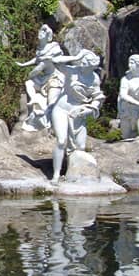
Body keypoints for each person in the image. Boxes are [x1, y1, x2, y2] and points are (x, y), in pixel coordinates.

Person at [50, 49, 105, 183]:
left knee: (80, 147)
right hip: (61, 109)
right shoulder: (71, 70)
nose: (84, 64)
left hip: (78, 113)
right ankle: (56, 175)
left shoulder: (94, 78)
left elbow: (97, 97)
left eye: (87, 63)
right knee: (62, 141)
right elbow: (54, 61)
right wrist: (76, 56)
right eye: (83, 61)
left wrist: (90, 109)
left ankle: (72, 172)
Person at [16, 24, 65, 130]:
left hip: (53, 79)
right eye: (40, 31)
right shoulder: (40, 49)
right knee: (29, 83)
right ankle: (34, 100)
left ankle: (51, 123)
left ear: (47, 35)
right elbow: (37, 59)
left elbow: (40, 67)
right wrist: (24, 64)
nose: (40, 34)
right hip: (44, 78)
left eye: (43, 32)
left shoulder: (53, 48)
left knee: (51, 101)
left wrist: (31, 74)